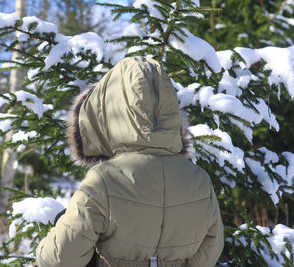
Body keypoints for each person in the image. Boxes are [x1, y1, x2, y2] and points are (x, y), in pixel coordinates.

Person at [35, 56, 224, 267]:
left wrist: (59, 225)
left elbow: (60, 259)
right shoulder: (199, 180)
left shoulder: (103, 180)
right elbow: (209, 252)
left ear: (108, 112)